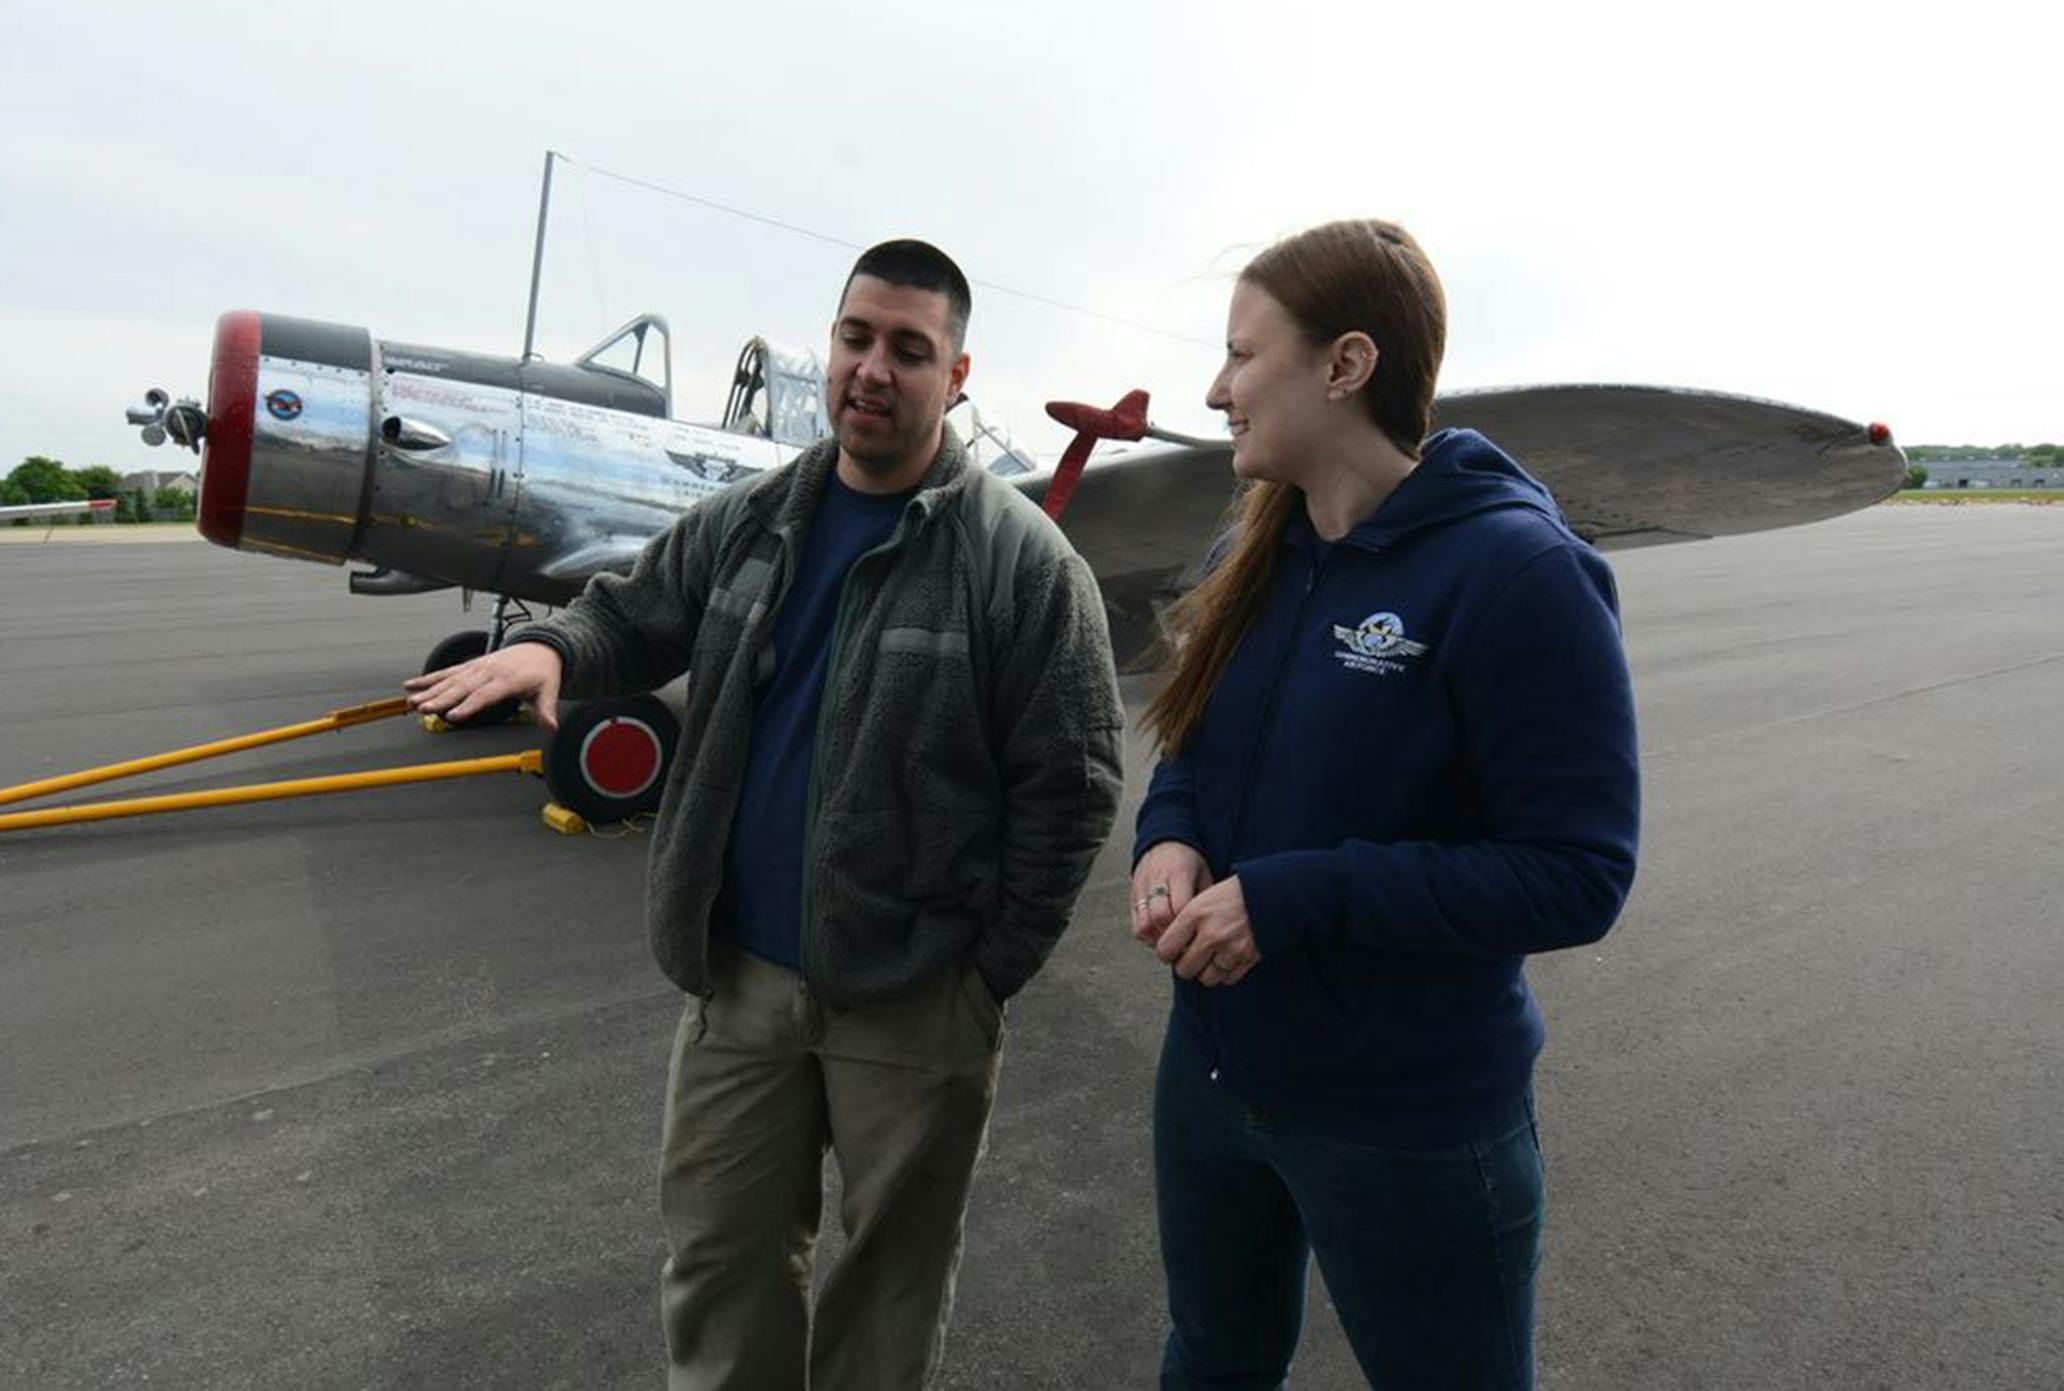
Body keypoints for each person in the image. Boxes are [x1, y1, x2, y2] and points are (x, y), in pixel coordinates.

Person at [407, 239, 1124, 1390]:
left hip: (916, 996)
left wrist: (984, 971)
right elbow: (631, 615)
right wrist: (545, 645)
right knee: (720, 1265)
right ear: (831, 345)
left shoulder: (1024, 565)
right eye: (856, 337)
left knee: (887, 1290)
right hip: (739, 981)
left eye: (909, 348)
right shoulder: (749, 519)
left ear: (958, 372)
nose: (874, 369)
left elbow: (1075, 782)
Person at [1128, 220, 1640, 1390]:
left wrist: (1297, 896)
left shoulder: (1520, 575)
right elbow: (1196, 746)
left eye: (1242, 355)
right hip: (1211, 1075)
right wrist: (1172, 835)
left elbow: (1578, 873)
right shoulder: (1258, 543)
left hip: (1408, 1122)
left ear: (1345, 364)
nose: (1215, 389)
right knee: (1213, 1356)